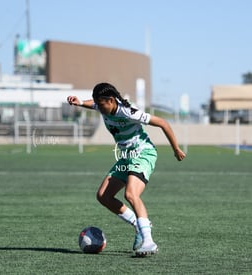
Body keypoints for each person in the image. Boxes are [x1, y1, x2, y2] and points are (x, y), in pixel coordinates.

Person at [67, 82, 186, 256]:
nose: (99, 108)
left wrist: (176, 149)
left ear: (110, 100)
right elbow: (92, 104)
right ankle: (138, 224)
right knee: (103, 196)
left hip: (143, 153)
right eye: (97, 104)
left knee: (131, 194)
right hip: (127, 157)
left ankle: (149, 242)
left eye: (101, 104)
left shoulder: (128, 112)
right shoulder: (103, 106)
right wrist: (79, 102)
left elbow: (162, 123)